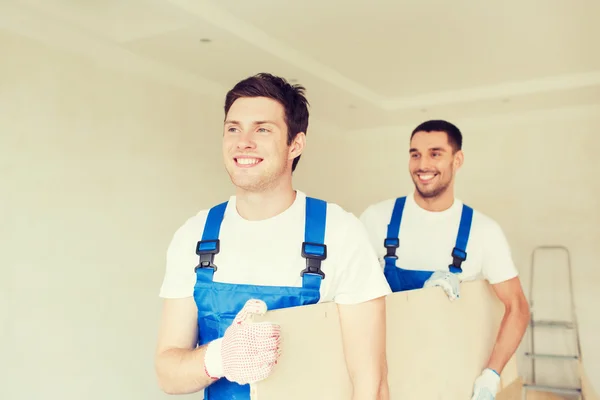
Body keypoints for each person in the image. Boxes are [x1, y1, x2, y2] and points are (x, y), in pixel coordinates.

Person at [154, 73, 392, 400]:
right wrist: (219, 357)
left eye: (262, 129)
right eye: (233, 128)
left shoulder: (339, 233)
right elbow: (168, 374)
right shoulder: (194, 238)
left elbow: (371, 384)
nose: (243, 141)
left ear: (295, 144)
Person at [359, 120, 530, 400]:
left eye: (435, 153)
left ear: (457, 159)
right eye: (415, 154)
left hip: (451, 379)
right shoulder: (377, 219)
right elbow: (352, 294)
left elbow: (518, 306)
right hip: (389, 376)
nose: (422, 164)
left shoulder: (484, 231)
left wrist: (491, 374)